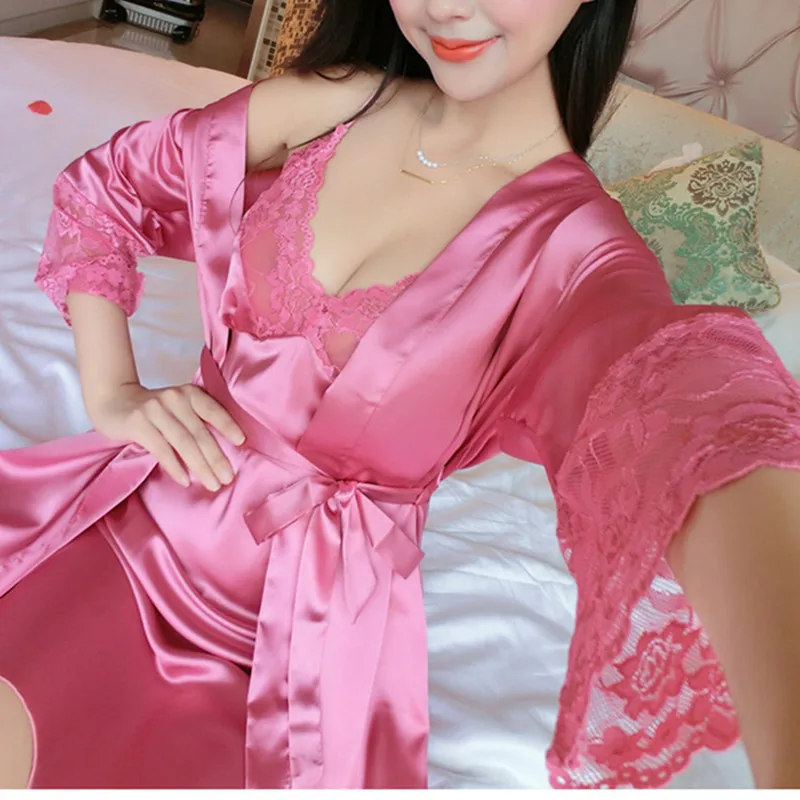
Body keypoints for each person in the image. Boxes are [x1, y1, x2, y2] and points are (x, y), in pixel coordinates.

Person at [1, 0, 800, 790]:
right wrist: (114, 390)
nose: (447, 6)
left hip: (292, 642)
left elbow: (696, 425)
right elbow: (111, 187)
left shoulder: (577, 252)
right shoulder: (342, 99)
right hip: (125, 520)